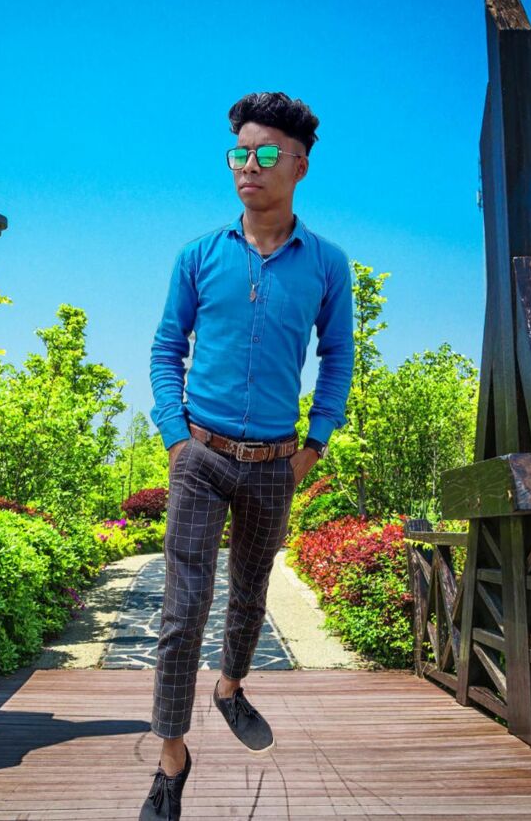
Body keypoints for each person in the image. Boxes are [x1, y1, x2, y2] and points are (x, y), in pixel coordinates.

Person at [139, 91, 355, 820]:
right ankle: (172, 759)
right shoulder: (198, 256)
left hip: (275, 463)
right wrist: (175, 436)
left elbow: (338, 357)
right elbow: (166, 348)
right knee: (182, 608)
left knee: (251, 592)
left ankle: (230, 686)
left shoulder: (327, 265)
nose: (248, 166)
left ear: (299, 166)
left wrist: (315, 445)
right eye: (240, 152)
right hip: (200, 456)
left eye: (265, 154)